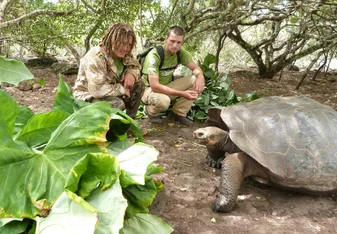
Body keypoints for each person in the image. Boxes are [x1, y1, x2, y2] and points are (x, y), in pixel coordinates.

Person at [73, 22, 144, 119]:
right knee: (117, 104)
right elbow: (97, 90)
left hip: (111, 93)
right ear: (112, 40)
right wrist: (122, 90)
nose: (125, 48)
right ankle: (108, 130)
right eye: (122, 43)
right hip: (88, 96)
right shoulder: (96, 56)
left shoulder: (125, 55)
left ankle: (129, 123)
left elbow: (136, 66)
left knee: (139, 84)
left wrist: (131, 74)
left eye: (129, 44)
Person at [141, 26, 204, 125]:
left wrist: (200, 77)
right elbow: (155, 86)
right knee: (164, 101)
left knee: (195, 80)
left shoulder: (180, 53)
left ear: (182, 42)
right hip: (148, 90)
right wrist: (182, 94)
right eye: (172, 41)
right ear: (166, 38)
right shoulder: (154, 55)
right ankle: (150, 111)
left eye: (179, 42)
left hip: (166, 86)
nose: (175, 45)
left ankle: (178, 113)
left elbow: (196, 68)